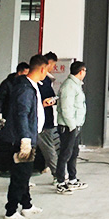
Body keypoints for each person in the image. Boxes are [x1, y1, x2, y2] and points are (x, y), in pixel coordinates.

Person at [0, 54, 48, 219]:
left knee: (25, 173)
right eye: (47, 70)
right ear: (42, 69)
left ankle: (26, 205)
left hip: (29, 136)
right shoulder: (25, 88)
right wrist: (25, 139)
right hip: (22, 139)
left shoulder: (30, 86)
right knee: (20, 175)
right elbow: (22, 114)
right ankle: (11, 212)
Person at [54, 61, 88, 194]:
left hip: (75, 125)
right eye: (85, 71)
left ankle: (72, 179)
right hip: (68, 126)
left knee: (73, 153)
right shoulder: (69, 86)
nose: (85, 73)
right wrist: (72, 126)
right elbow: (66, 108)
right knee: (65, 154)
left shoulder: (76, 85)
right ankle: (60, 182)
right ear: (81, 71)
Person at [37, 52, 60, 183]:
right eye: (53, 65)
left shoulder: (46, 80)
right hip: (42, 121)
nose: (53, 68)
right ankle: (58, 176)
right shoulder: (39, 81)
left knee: (47, 147)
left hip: (46, 118)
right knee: (49, 148)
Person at [0, 61, 29, 130]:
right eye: (25, 73)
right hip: (6, 114)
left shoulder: (25, 84)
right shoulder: (6, 83)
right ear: (19, 72)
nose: (27, 76)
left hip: (18, 114)